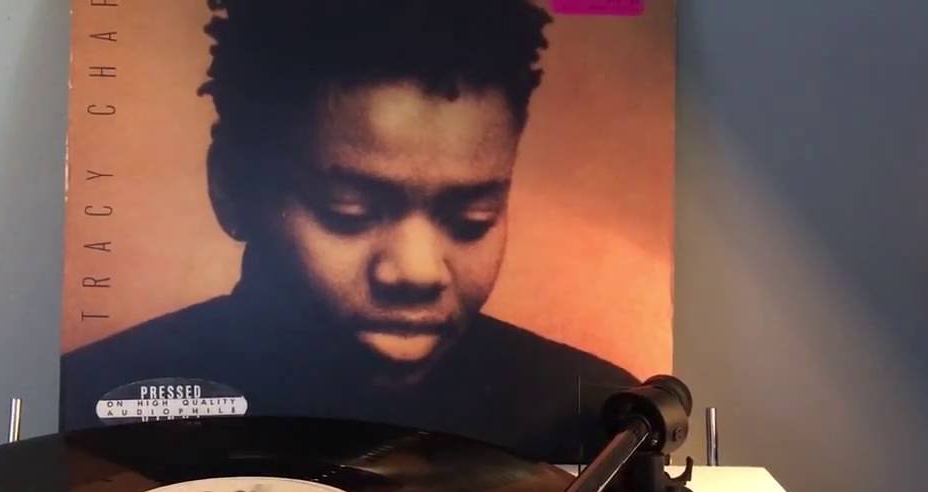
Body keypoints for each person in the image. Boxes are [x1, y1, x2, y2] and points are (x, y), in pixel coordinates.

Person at [61, 0, 638, 463]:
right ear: (233, 189)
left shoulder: (600, 415)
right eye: (349, 212)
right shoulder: (87, 402)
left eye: (472, 220)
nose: (415, 271)